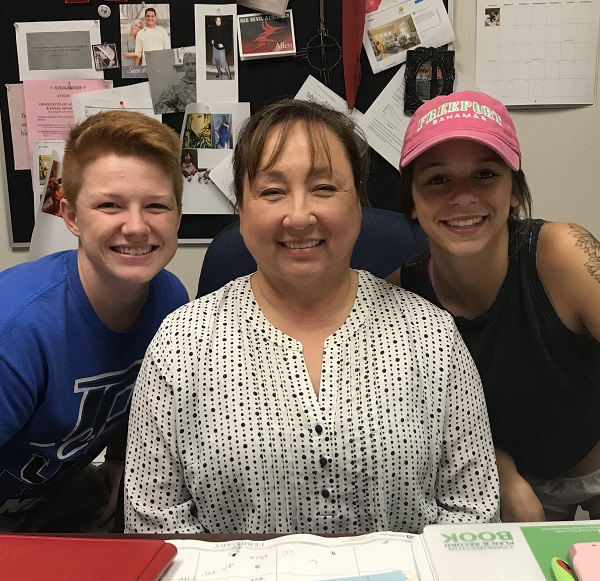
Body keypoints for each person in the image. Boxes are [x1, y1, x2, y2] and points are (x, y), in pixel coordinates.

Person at [124, 99, 499, 534]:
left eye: (323, 188)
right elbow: (154, 525)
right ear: (241, 211)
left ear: (358, 203)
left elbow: (475, 514)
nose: (299, 216)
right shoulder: (181, 342)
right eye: (272, 191)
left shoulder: (430, 334)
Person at [389, 90, 600, 522]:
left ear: (515, 190)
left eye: (485, 174)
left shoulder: (563, 254)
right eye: (437, 179)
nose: (463, 196)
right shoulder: (399, 299)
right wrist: (503, 473)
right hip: (495, 486)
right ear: (411, 202)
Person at [0, 110, 188, 533]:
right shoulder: (16, 331)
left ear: (177, 216)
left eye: (156, 205)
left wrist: (120, 460)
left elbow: (142, 398)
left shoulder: (171, 301)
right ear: (70, 217)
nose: (136, 226)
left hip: (56, 496)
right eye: (109, 205)